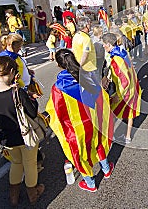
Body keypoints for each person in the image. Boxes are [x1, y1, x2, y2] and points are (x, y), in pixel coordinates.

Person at [0, 56, 44, 206]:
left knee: (16, 163)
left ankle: (14, 196)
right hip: (24, 136)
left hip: (5, 136)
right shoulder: (17, 92)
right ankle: (32, 193)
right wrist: (31, 98)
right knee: (30, 163)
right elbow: (32, 113)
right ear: (12, 71)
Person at [46, 49, 114, 192]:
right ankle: (106, 170)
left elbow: (54, 111)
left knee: (79, 155)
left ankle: (90, 183)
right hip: (94, 122)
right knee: (98, 144)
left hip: (75, 129)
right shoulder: (89, 77)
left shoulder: (58, 88)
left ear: (59, 65)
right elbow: (102, 98)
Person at [101, 33, 142, 144]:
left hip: (125, 91)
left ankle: (111, 135)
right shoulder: (123, 51)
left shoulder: (116, 60)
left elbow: (124, 81)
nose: (103, 46)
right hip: (134, 87)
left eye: (104, 44)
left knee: (111, 112)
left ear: (109, 44)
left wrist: (118, 96)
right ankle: (128, 137)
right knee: (130, 113)